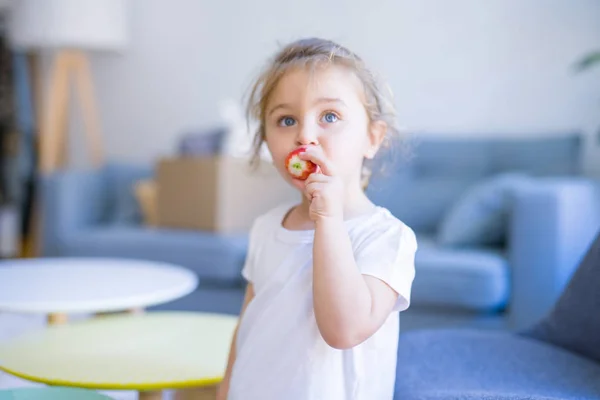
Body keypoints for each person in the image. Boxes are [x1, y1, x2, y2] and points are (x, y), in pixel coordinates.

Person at [217, 37, 418, 400]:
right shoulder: (266, 227)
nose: (304, 136)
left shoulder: (386, 237)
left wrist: (328, 216)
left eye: (330, 116)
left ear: (372, 138)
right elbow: (248, 328)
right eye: (286, 119)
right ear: (266, 141)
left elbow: (344, 329)